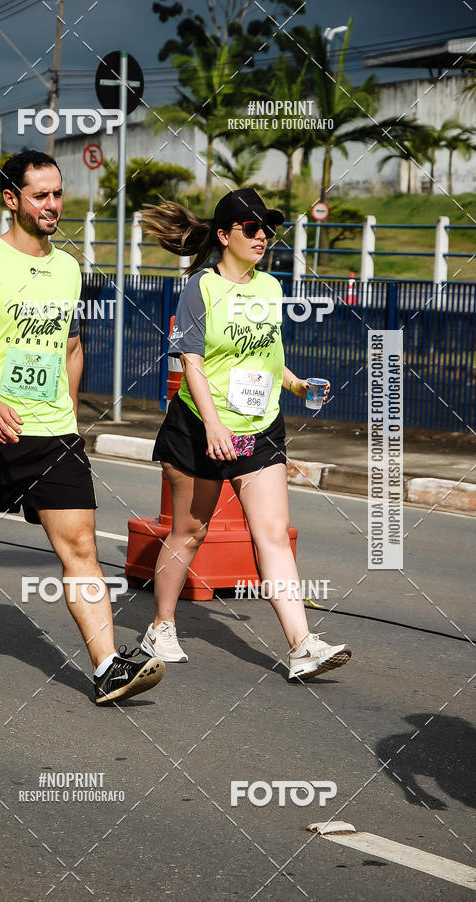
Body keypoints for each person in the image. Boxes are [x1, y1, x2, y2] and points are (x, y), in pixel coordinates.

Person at [0, 150, 164, 705]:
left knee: (81, 547)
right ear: (12, 199)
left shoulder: (69, 267)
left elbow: (71, 346)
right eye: (41, 195)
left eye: (58, 194)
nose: (53, 205)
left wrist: (69, 417)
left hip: (53, 433)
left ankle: (107, 667)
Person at [139, 188, 351, 681]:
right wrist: (213, 424)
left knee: (272, 534)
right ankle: (161, 626)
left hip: (260, 429)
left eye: (267, 230)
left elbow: (268, 356)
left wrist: (297, 385)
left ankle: (302, 645)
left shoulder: (271, 288)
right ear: (223, 235)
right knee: (191, 532)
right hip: (199, 428)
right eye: (251, 228)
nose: (262, 237)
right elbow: (191, 361)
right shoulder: (200, 288)